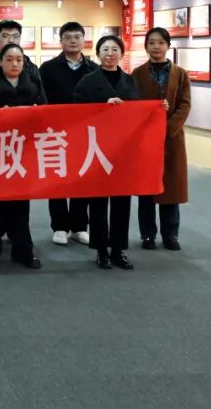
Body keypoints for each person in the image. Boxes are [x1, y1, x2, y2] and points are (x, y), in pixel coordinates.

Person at [0, 43, 46, 271]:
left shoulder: (33, 87)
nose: (14, 64)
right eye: (9, 59)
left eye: (19, 60)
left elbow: (46, 116)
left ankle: (23, 252)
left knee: (20, 206)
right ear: (0, 62)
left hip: (22, 154)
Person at [73, 34, 141, 270]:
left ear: (121, 54)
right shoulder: (87, 81)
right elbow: (76, 112)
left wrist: (158, 108)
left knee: (122, 201)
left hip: (123, 150)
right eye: (105, 49)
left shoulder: (130, 81)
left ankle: (118, 249)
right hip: (97, 149)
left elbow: (139, 111)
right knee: (99, 202)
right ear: (98, 53)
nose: (110, 54)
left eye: (114, 50)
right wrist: (103, 107)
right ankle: (101, 249)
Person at [132, 26, 191, 251]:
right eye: (151, 43)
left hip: (172, 139)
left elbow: (185, 105)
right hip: (145, 140)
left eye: (160, 43)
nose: (156, 47)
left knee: (171, 189)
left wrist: (167, 128)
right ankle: (147, 234)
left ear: (168, 46)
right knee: (146, 189)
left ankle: (170, 235)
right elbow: (132, 104)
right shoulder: (137, 74)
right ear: (146, 46)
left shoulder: (180, 74)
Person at [39, 22, 98, 246]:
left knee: (82, 179)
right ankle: (60, 226)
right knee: (57, 180)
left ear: (84, 40)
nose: (73, 41)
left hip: (85, 133)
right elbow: (42, 99)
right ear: (61, 41)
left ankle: (79, 226)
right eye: (68, 37)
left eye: (77, 37)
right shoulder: (48, 68)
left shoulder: (94, 69)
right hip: (55, 133)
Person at [0, 19, 44, 90]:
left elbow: (40, 94)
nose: (11, 40)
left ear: (20, 39)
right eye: (5, 36)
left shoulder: (31, 68)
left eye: (15, 36)